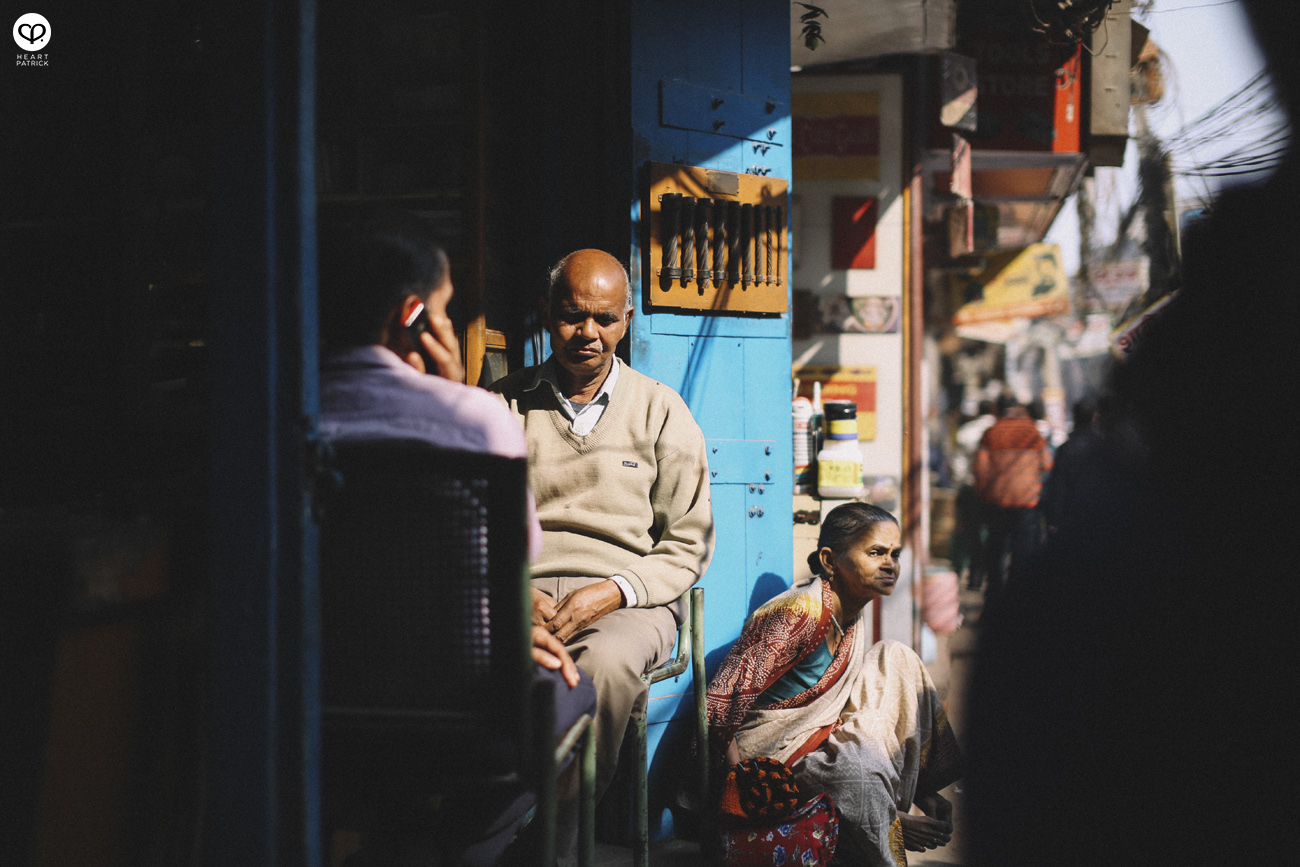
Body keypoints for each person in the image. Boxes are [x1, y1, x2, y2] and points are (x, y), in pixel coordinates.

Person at [317, 210, 596, 867]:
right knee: (575, 685)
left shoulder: (285, 414)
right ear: (413, 315)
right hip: (466, 712)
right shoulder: (477, 417)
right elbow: (519, 553)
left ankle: (400, 844)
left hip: (322, 702)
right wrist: (454, 396)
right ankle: (458, 851)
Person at [490, 249, 716, 821]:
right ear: (545, 313)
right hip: (520, 594)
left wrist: (611, 591)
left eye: (605, 319)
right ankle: (497, 821)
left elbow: (689, 542)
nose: (587, 333)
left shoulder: (663, 410)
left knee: (604, 664)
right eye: (571, 315)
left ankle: (555, 835)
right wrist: (515, 593)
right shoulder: (503, 405)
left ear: (627, 319)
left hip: (628, 602)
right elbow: (478, 524)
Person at [706, 503, 964, 867]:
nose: (889, 564)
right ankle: (884, 823)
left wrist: (923, 789)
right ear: (829, 560)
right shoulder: (798, 614)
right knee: (856, 772)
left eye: (894, 554)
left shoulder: (850, 613)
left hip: (817, 739)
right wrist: (745, 787)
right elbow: (718, 702)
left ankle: (893, 804)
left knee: (896, 657)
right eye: (875, 553)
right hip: (772, 763)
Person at [972, 395, 1052, 602]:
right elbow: (1047, 463)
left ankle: (995, 595)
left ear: (997, 410)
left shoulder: (990, 434)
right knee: (1022, 551)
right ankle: (1019, 596)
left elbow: (980, 469)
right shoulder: (1032, 433)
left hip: (997, 501)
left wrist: (983, 494)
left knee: (996, 549)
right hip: (1026, 502)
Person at [950, 400, 998, 589]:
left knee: (972, 533)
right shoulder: (998, 430)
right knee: (994, 533)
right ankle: (992, 575)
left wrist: (959, 484)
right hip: (993, 491)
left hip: (970, 489)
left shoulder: (966, 432)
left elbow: (958, 464)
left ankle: (975, 577)